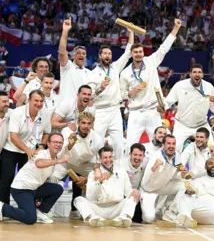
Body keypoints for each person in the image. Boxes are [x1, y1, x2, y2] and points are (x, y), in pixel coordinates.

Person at [120, 19, 181, 150]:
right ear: (131, 54)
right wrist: (131, 92)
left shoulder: (151, 61)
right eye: (135, 52)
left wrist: (175, 28)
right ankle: (129, 170)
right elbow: (122, 94)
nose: (138, 54)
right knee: (130, 146)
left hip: (152, 111)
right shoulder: (125, 73)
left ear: (143, 53)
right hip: (135, 113)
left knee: (160, 144)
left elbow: (164, 48)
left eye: (140, 52)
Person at [0, 133, 69, 224]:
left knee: (57, 188)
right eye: (55, 142)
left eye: (60, 142)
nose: (58, 144)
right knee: (30, 219)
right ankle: (2, 207)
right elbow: (39, 164)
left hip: (34, 189)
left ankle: (39, 211)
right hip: (21, 189)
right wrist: (58, 161)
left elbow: (46, 179)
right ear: (48, 144)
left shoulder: (54, 158)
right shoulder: (41, 153)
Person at [0, 90, 51, 204]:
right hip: (11, 149)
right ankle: (3, 207)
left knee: (29, 180)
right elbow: (13, 136)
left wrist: (42, 145)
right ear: (29, 100)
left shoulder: (46, 114)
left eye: (41, 101)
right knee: (6, 180)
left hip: (31, 151)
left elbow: (47, 132)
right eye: (36, 101)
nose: (39, 104)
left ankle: (27, 207)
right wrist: (27, 150)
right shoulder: (17, 112)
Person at [89, 28, 133, 160]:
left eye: (109, 53)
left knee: (119, 143)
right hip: (100, 111)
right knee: (97, 142)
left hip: (115, 110)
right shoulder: (93, 73)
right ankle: (95, 167)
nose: (108, 56)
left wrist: (131, 32)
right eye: (105, 54)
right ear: (100, 56)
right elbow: (90, 94)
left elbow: (127, 53)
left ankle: (119, 167)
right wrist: (99, 89)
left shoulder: (115, 68)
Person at [51, 112, 103, 219]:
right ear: (78, 123)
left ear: (92, 124)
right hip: (66, 162)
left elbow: (99, 162)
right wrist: (69, 145)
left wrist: (89, 178)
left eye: (89, 123)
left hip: (85, 165)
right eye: (83, 123)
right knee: (51, 179)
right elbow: (60, 154)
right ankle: (43, 207)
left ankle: (91, 211)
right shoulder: (68, 132)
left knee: (99, 178)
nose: (86, 126)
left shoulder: (97, 139)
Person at [74, 146, 139, 227]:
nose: (108, 160)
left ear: (113, 157)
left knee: (133, 197)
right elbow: (90, 196)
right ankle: (94, 219)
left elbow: (128, 191)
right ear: (100, 159)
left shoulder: (121, 171)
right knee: (78, 200)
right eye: (105, 157)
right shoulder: (93, 174)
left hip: (116, 208)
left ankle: (123, 218)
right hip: (98, 209)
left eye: (110, 157)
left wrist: (134, 191)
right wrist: (99, 181)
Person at [162, 63, 214, 154]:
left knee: (211, 149)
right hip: (182, 125)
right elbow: (168, 101)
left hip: (201, 125)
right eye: (194, 72)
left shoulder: (209, 87)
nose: (197, 74)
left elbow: (213, 109)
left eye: (199, 72)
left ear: (202, 75)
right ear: (190, 74)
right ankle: (174, 168)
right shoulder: (180, 85)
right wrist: (162, 106)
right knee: (174, 150)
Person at [140, 134, 187, 223]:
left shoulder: (177, 156)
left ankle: (169, 211)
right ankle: (152, 210)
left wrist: (182, 174)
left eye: (173, 144)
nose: (171, 146)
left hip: (163, 186)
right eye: (168, 144)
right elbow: (147, 177)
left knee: (184, 185)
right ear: (163, 145)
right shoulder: (156, 157)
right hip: (149, 189)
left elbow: (174, 175)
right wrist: (155, 167)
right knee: (149, 219)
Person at [59, 18, 91, 100]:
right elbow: (62, 52)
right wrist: (65, 31)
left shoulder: (90, 73)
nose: (81, 55)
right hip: (65, 109)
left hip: (81, 109)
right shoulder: (68, 67)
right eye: (78, 53)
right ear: (73, 56)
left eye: (83, 54)